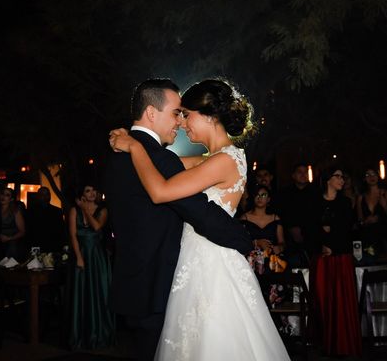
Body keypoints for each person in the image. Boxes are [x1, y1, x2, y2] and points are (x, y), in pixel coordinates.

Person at [108, 78, 289, 361]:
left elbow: (161, 189)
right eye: (178, 114)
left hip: (211, 261)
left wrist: (134, 147)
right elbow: (164, 165)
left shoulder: (225, 160)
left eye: (187, 114)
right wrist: (132, 139)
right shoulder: (211, 159)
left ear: (209, 117)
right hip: (191, 262)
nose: (182, 123)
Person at [305, 165, 362, 357]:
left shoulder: (345, 202)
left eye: (342, 176)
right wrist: (323, 242)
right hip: (322, 259)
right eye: (337, 176)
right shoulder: (314, 202)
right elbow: (310, 229)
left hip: (340, 257)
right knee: (322, 299)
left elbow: (346, 229)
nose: (342, 180)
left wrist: (331, 243)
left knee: (341, 301)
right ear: (328, 179)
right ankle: (323, 344)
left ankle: (343, 344)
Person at [67, 183, 116, 350]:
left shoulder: (102, 210)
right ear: (81, 194)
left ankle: (100, 335)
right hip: (81, 254)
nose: (92, 193)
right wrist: (79, 257)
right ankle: (80, 336)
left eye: (94, 190)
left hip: (97, 257)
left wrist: (85, 209)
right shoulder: (74, 210)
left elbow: (96, 226)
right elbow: (73, 235)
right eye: (88, 190)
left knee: (99, 292)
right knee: (81, 293)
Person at [239, 184, 285, 275]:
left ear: (269, 199)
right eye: (257, 195)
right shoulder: (244, 218)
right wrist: (256, 243)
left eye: (263, 195)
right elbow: (240, 242)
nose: (260, 198)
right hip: (251, 262)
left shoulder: (275, 218)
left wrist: (279, 247)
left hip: (272, 261)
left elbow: (282, 242)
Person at [25, 186, 65, 254]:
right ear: (38, 196)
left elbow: (61, 230)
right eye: (42, 194)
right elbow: (28, 230)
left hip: (53, 245)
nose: (45, 196)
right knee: (36, 263)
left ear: (50, 196)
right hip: (35, 244)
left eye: (47, 194)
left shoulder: (57, 211)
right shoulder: (30, 211)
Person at [0, 187, 26, 261]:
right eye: (2, 194)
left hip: (12, 244)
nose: (3, 196)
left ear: (11, 199)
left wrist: (9, 238)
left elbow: (22, 231)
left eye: (7, 195)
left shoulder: (15, 211)